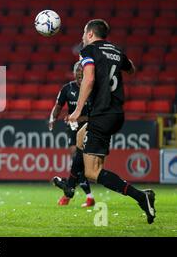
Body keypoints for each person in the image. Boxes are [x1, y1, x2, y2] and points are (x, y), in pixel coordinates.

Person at [55, 19, 156, 224]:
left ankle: (141, 197)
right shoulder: (116, 50)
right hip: (116, 112)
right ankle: (70, 186)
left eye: (84, 33)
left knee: (93, 172)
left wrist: (77, 111)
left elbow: (89, 78)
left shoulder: (88, 51)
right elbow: (131, 69)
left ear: (91, 34)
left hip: (102, 114)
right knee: (81, 137)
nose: (83, 37)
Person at [49, 61, 95, 207]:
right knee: (77, 161)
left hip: (89, 128)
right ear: (75, 74)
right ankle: (85, 197)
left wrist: (81, 118)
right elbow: (58, 106)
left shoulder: (92, 89)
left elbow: (98, 113)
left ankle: (69, 194)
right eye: (78, 73)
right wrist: (52, 118)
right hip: (73, 128)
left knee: (80, 163)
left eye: (83, 73)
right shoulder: (67, 88)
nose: (81, 75)